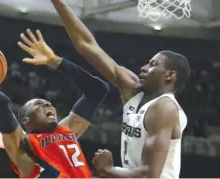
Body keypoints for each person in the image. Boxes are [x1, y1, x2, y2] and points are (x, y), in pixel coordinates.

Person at [50, 0, 191, 178]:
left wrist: (108, 170)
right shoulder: (133, 90)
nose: (144, 67)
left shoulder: (165, 108)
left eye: (153, 65)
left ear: (170, 75)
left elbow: (150, 175)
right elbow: (88, 45)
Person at [0, 29, 109, 178]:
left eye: (48, 104)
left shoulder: (66, 131)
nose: (48, 105)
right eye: (39, 104)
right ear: (26, 120)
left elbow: (98, 90)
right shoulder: (23, 144)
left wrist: (57, 62)